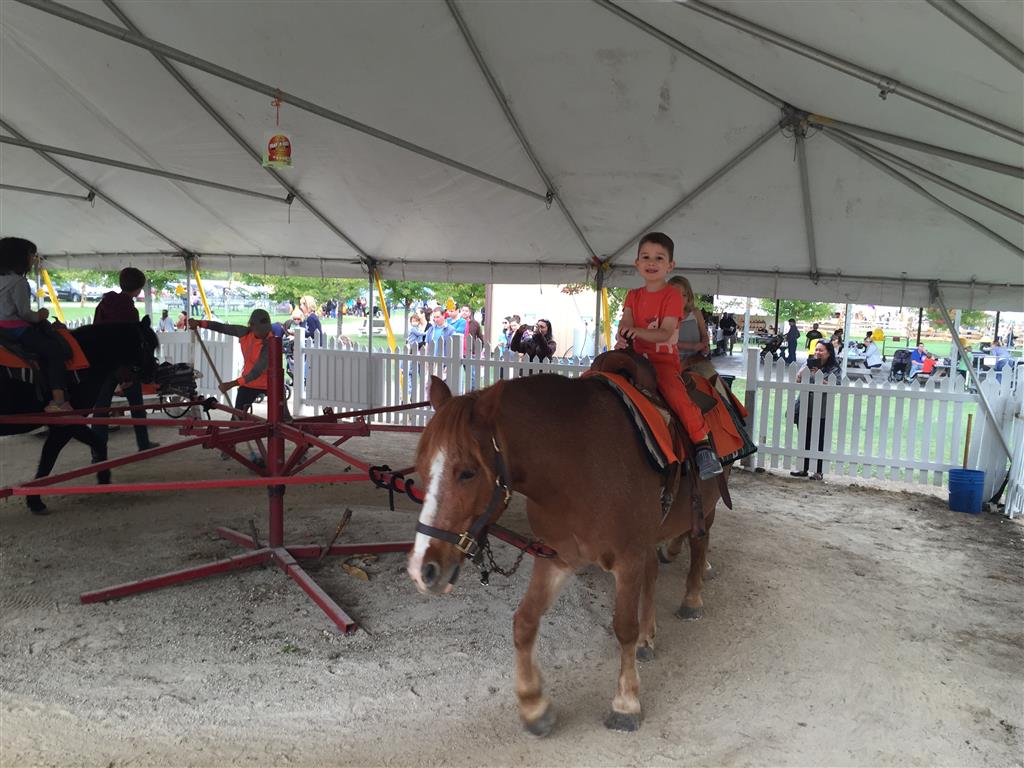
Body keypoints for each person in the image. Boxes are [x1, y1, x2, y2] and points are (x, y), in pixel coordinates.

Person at [615, 232, 722, 480]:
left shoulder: (672, 295)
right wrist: (622, 334)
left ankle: (702, 445)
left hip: (661, 362)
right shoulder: (633, 295)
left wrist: (637, 332)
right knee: (597, 375)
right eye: (646, 257)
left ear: (670, 265)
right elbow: (625, 321)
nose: (651, 262)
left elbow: (665, 332)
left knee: (676, 395)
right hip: (632, 357)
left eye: (659, 258)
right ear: (637, 263)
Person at [0, 237, 70, 411]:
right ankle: (58, 400)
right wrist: (41, 315)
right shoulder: (18, 282)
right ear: (20, 257)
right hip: (15, 329)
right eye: (31, 255)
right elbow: (24, 313)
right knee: (54, 351)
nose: (33, 259)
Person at [92, 267, 158, 451]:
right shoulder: (130, 311)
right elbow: (128, 344)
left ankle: (98, 451)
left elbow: (96, 331)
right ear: (138, 289)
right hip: (123, 366)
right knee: (137, 406)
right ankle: (143, 444)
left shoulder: (103, 304)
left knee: (101, 410)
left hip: (103, 363)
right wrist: (127, 372)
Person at [189, 310, 289, 417]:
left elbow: (256, 372)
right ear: (252, 326)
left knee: (283, 418)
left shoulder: (270, 343)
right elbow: (222, 327)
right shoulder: (244, 332)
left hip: (272, 383)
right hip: (248, 384)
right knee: (237, 417)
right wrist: (200, 323)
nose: (265, 333)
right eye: (261, 330)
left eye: (266, 330)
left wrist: (232, 384)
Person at [791, 340, 842, 480]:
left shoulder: (834, 368)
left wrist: (819, 375)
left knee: (819, 440)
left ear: (829, 352)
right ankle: (803, 468)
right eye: (816, 349)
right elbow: (798, 379)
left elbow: (836, 387)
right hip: (804, 406)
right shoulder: (809, 363)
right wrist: (806, 368)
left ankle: (818, 471)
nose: (818, 352)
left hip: (822, 409)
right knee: (804, 438)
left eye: (821, 350)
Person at [667, 275, 710, 369]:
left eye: (684, 295)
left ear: (689, 297)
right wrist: (692, 346)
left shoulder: (695, 313)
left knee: (713, 377)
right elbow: (666, 340)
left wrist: (705, 344)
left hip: (695, 360)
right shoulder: (664, 316)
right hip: (672, 361)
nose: (680, 298)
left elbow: (704, 334)